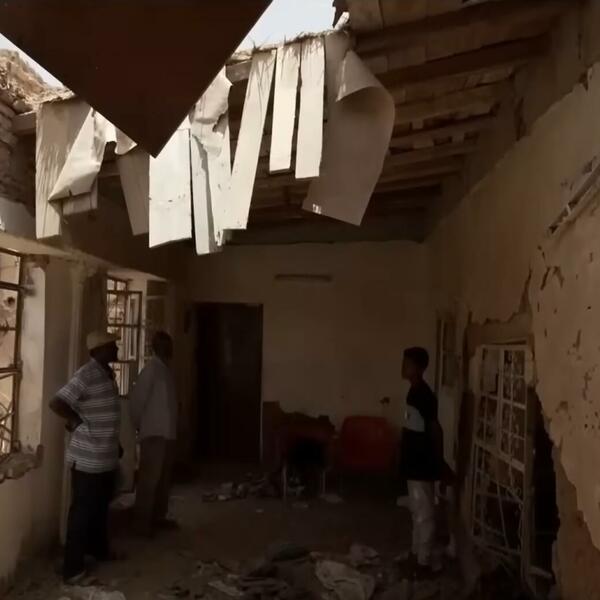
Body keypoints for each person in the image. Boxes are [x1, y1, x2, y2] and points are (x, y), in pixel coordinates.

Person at [50, 330, 121, 584]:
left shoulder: (107, 374)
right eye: (112, 345)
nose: (116, 349)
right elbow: (57, 403)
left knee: (100, 509)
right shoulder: (86, 374)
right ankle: (72, 569)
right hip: (88, 458)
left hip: (106, 454)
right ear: (99, 350)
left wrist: (116, 444)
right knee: (81, 514)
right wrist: (76, 422)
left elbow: (106, 412)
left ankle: (98, 551)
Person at [398, 346, 445, 574]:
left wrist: (439, 462)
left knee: (424, 513)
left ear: (419, 368)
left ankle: (423, 563)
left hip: (422, 462)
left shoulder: (425, 395)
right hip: (412, 462)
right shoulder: (413, 392)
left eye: (407, 364)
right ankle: (416, 554)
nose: (403, 367)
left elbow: (435, 429)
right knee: (416, 510)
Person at [129, 331, 178, 536]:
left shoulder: (164, 370)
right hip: (153, 433)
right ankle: (141, 524)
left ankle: (158, 517)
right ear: (156, 347)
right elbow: (137, 402)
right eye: (164, 345)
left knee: (163, 480)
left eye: (169, 345)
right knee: (149, 481)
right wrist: (138, 425)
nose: (168, 349)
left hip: (166, 434)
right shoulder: (150, 370)